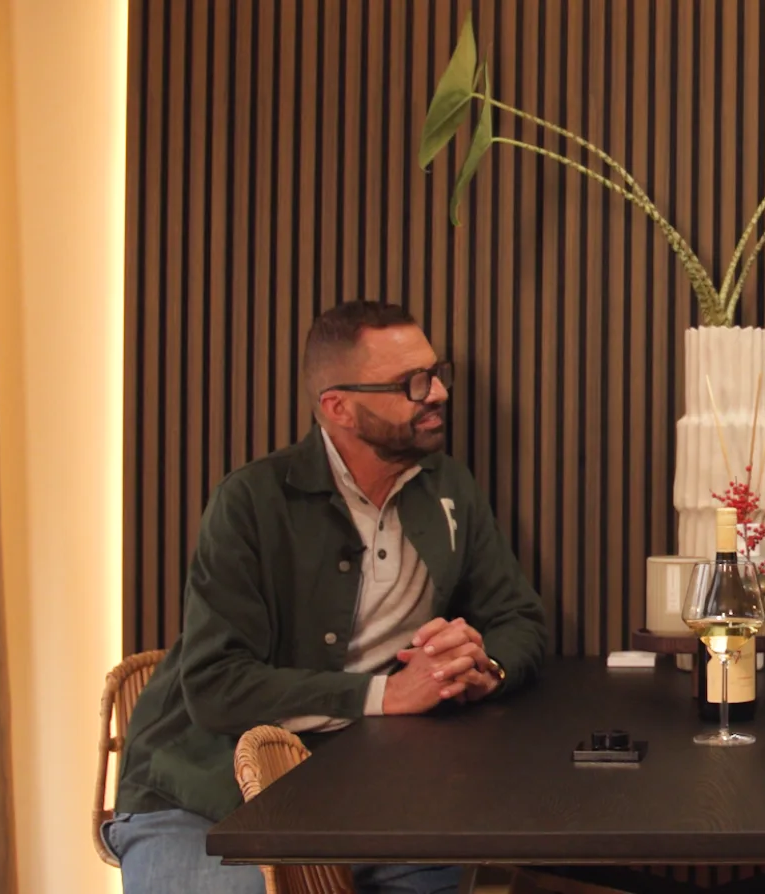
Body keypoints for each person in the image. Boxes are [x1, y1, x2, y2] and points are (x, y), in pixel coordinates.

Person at [106, 301, 548, 894]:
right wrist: (388, 694)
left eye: (437, 373)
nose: (439, 393)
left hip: (366, 790)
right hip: (200, 794)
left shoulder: (448, 487)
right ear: (338, 407)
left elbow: (519, 618)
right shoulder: (251, 502)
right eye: (412, 383)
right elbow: (216, 685)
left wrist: (480, 668)